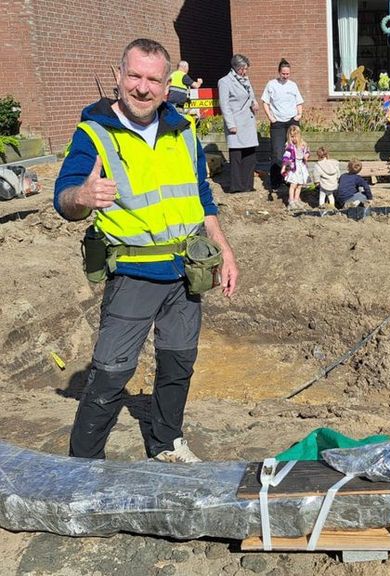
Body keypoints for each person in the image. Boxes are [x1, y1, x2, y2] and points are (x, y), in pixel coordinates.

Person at [54, 38, 238, 463]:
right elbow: (63, 198)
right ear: (118, 76)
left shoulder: (183, 131)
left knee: (178, 365)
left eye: (153, 79)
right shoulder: (93, 133)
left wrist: (224, 251)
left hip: (187, 271)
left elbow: (202, 197)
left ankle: (166, 442)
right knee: (111, 373)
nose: (143, 88)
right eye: (134, 76)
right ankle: (82, 465)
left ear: (166, 83)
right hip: (134, 274)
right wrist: (83, 194)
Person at [262, 59, 304, 196]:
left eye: (288, 74)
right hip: (278, 123)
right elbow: (265, 102)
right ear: (279, 72)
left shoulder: (293, 85)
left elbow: (299, 101)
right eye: (283, 73)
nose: (286, 76)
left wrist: (299, 115)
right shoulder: (271, 85)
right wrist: (271, 118)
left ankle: (292, 179)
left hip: (292, 121)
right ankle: (276, 181)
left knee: (293, 150)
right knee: (277, 153)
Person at [218, 54, 259, 193]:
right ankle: (236, 186)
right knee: (236, 155)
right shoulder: (224, 82)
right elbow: (224, 105)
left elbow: (250, 95)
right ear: (237, 67)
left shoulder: (245, 80)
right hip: (236, 121)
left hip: (248, 120)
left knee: (249, 154)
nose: (245, 72)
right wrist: (231, 125)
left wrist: (254, 103)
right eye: (244, 69)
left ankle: (248, 185)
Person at [281, 124, 310, 210]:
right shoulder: (290, 147)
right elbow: (286, 158)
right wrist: (284, 167)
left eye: (295, 136)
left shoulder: (303, 144)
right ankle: (291, 201)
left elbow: (307, 151)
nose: (294, 139)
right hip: (294, 168)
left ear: (299, 136)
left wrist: (306, 156)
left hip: (301, 167)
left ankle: (297, 200)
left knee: (300, 185)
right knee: (293, 184)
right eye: (292, 137)